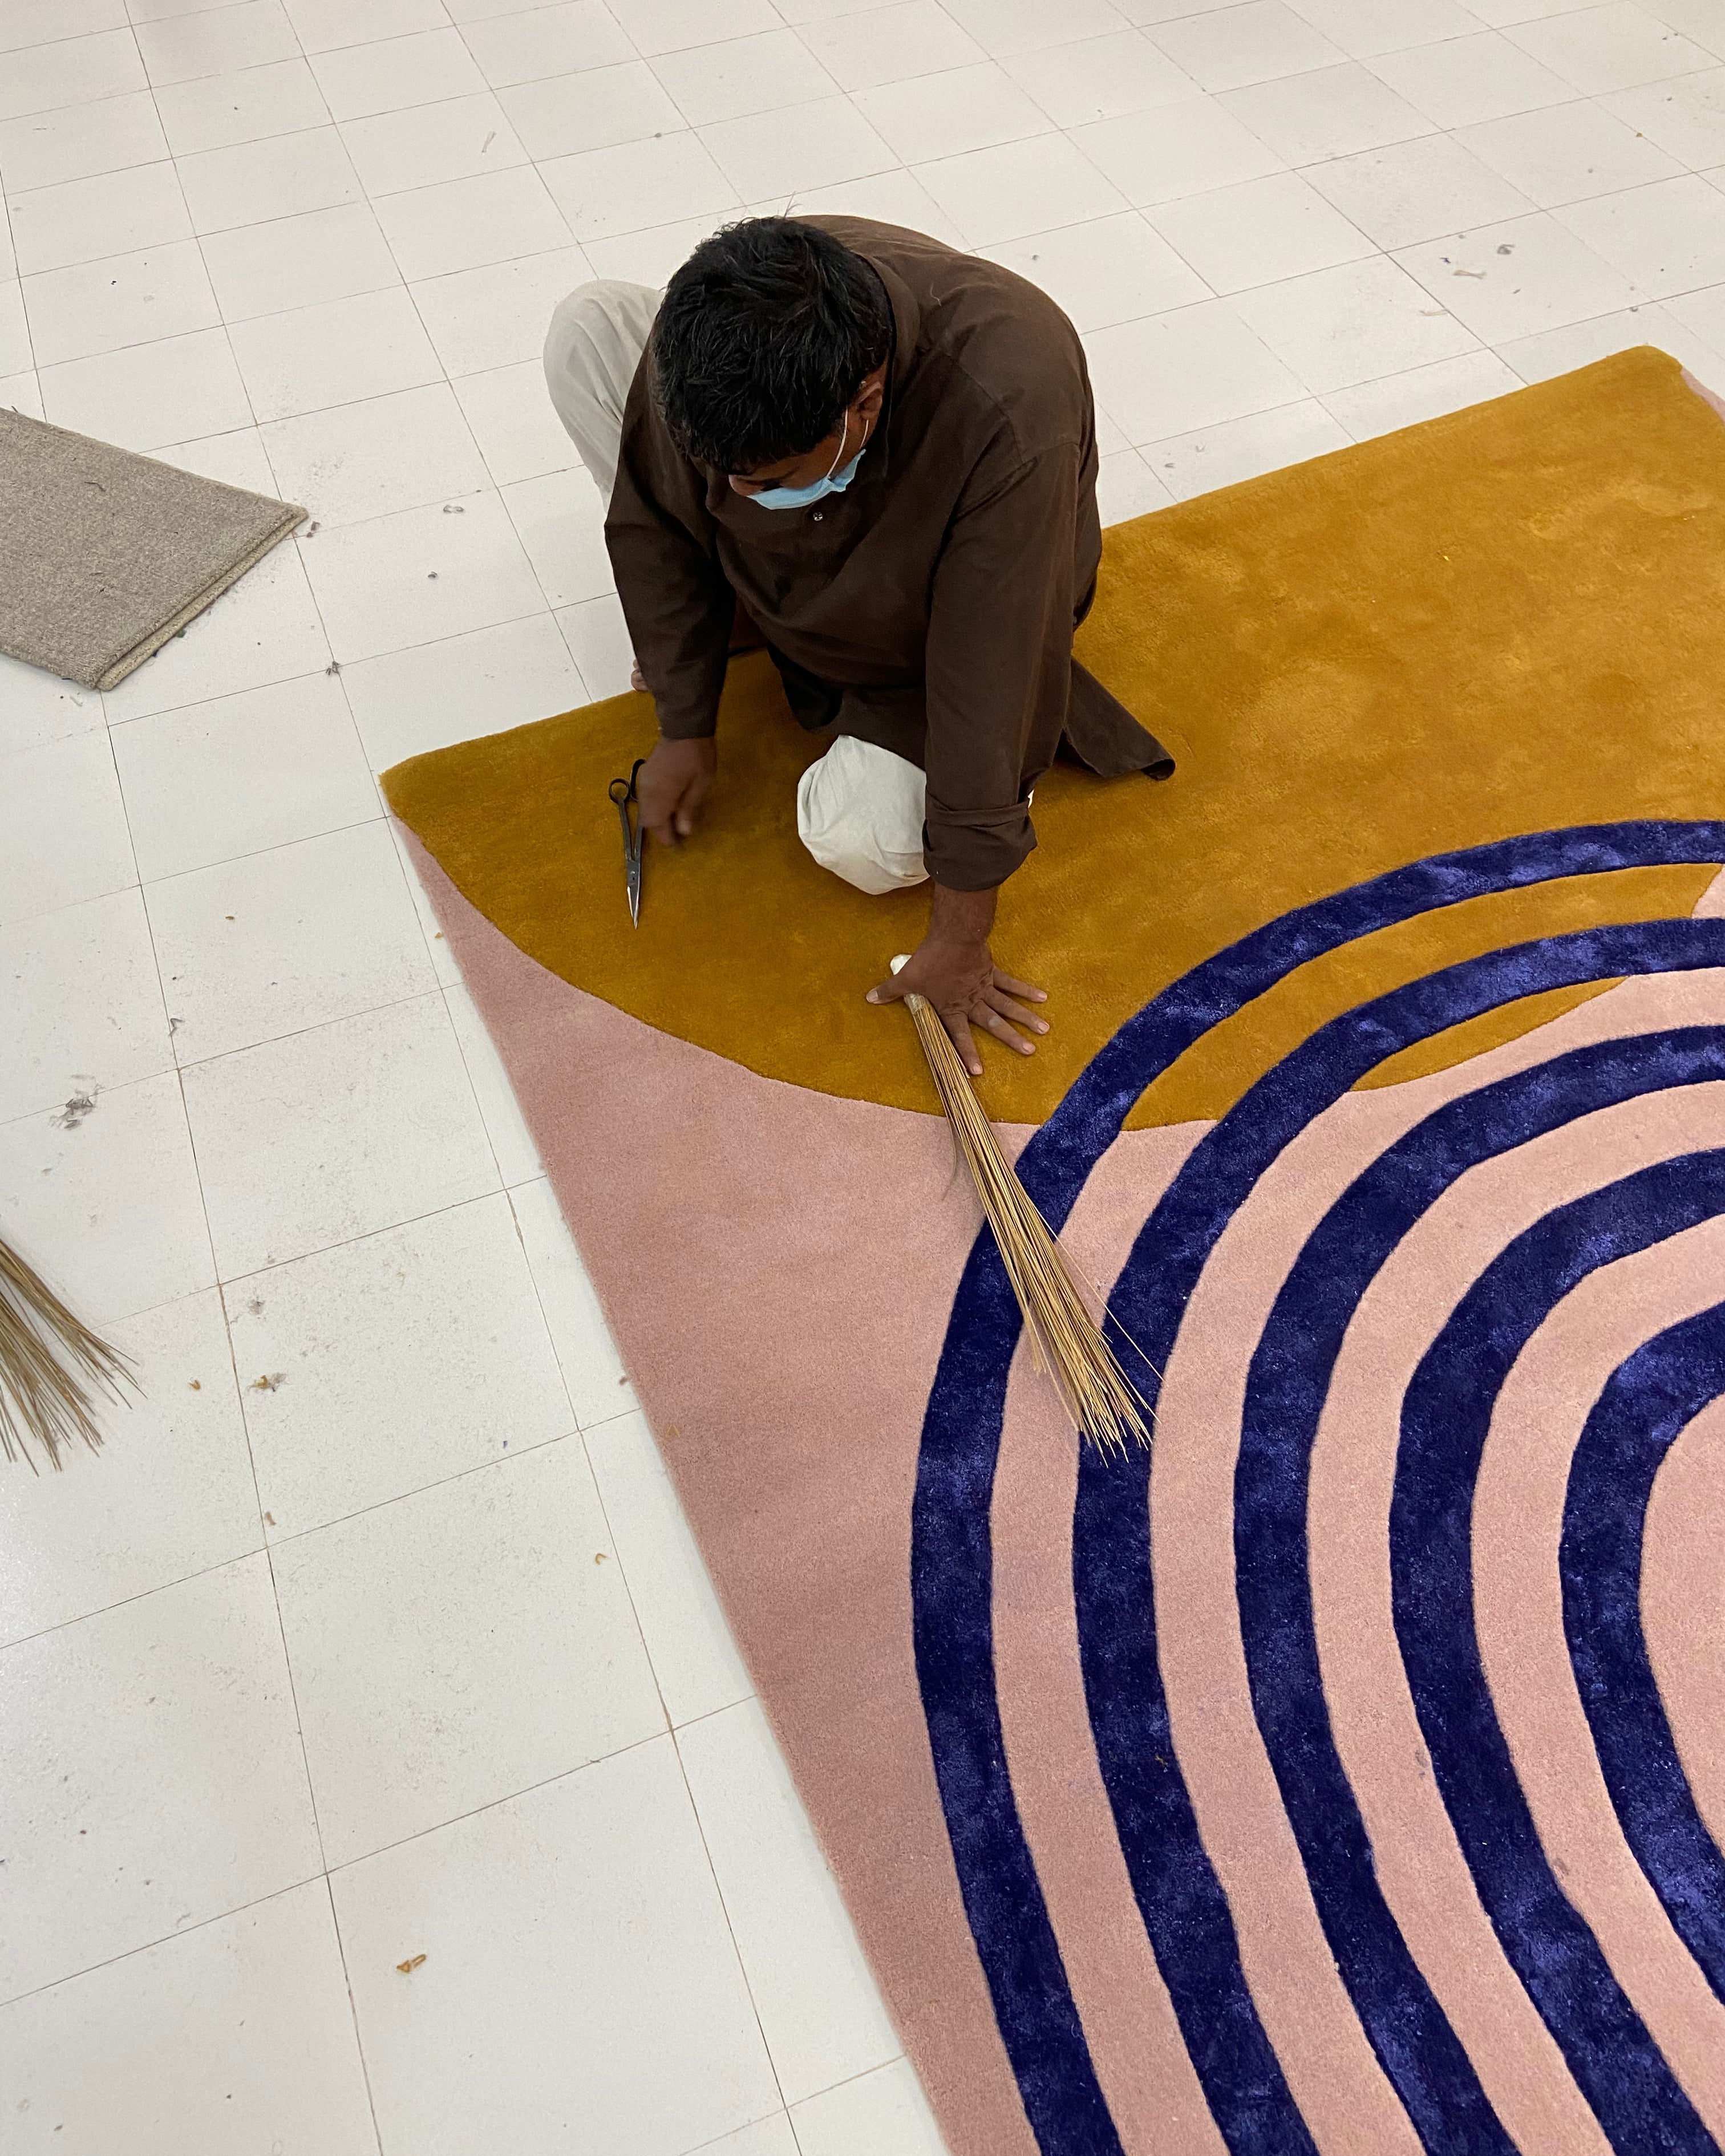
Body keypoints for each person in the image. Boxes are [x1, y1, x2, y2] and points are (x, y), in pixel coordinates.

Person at [542, 215, 1172, 1075]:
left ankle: (768, 614)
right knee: (587, 327)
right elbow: (658, 514)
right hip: (799, 567)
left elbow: (992, 675)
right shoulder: (741, 315)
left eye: (761, 481)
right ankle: (743, 605)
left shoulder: (1010, 407)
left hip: (918, 639)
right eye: (722, 477)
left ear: (862, 409)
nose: (727, 495)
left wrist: (961, 936)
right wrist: (684, 724)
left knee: (862, 843)